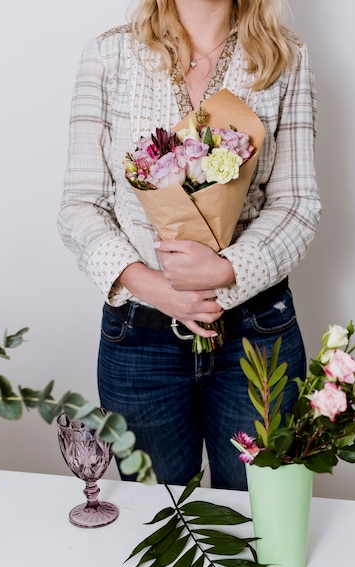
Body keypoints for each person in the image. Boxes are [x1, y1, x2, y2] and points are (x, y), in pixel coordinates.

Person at [58, 0, 321, 490]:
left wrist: (228, 270)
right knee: (166, 528)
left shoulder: (285, 58)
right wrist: (156, 287)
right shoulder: (107, 55)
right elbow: (79, 205)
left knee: (253, 524)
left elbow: (298, 205)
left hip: (257, 333)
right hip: (140, 339)